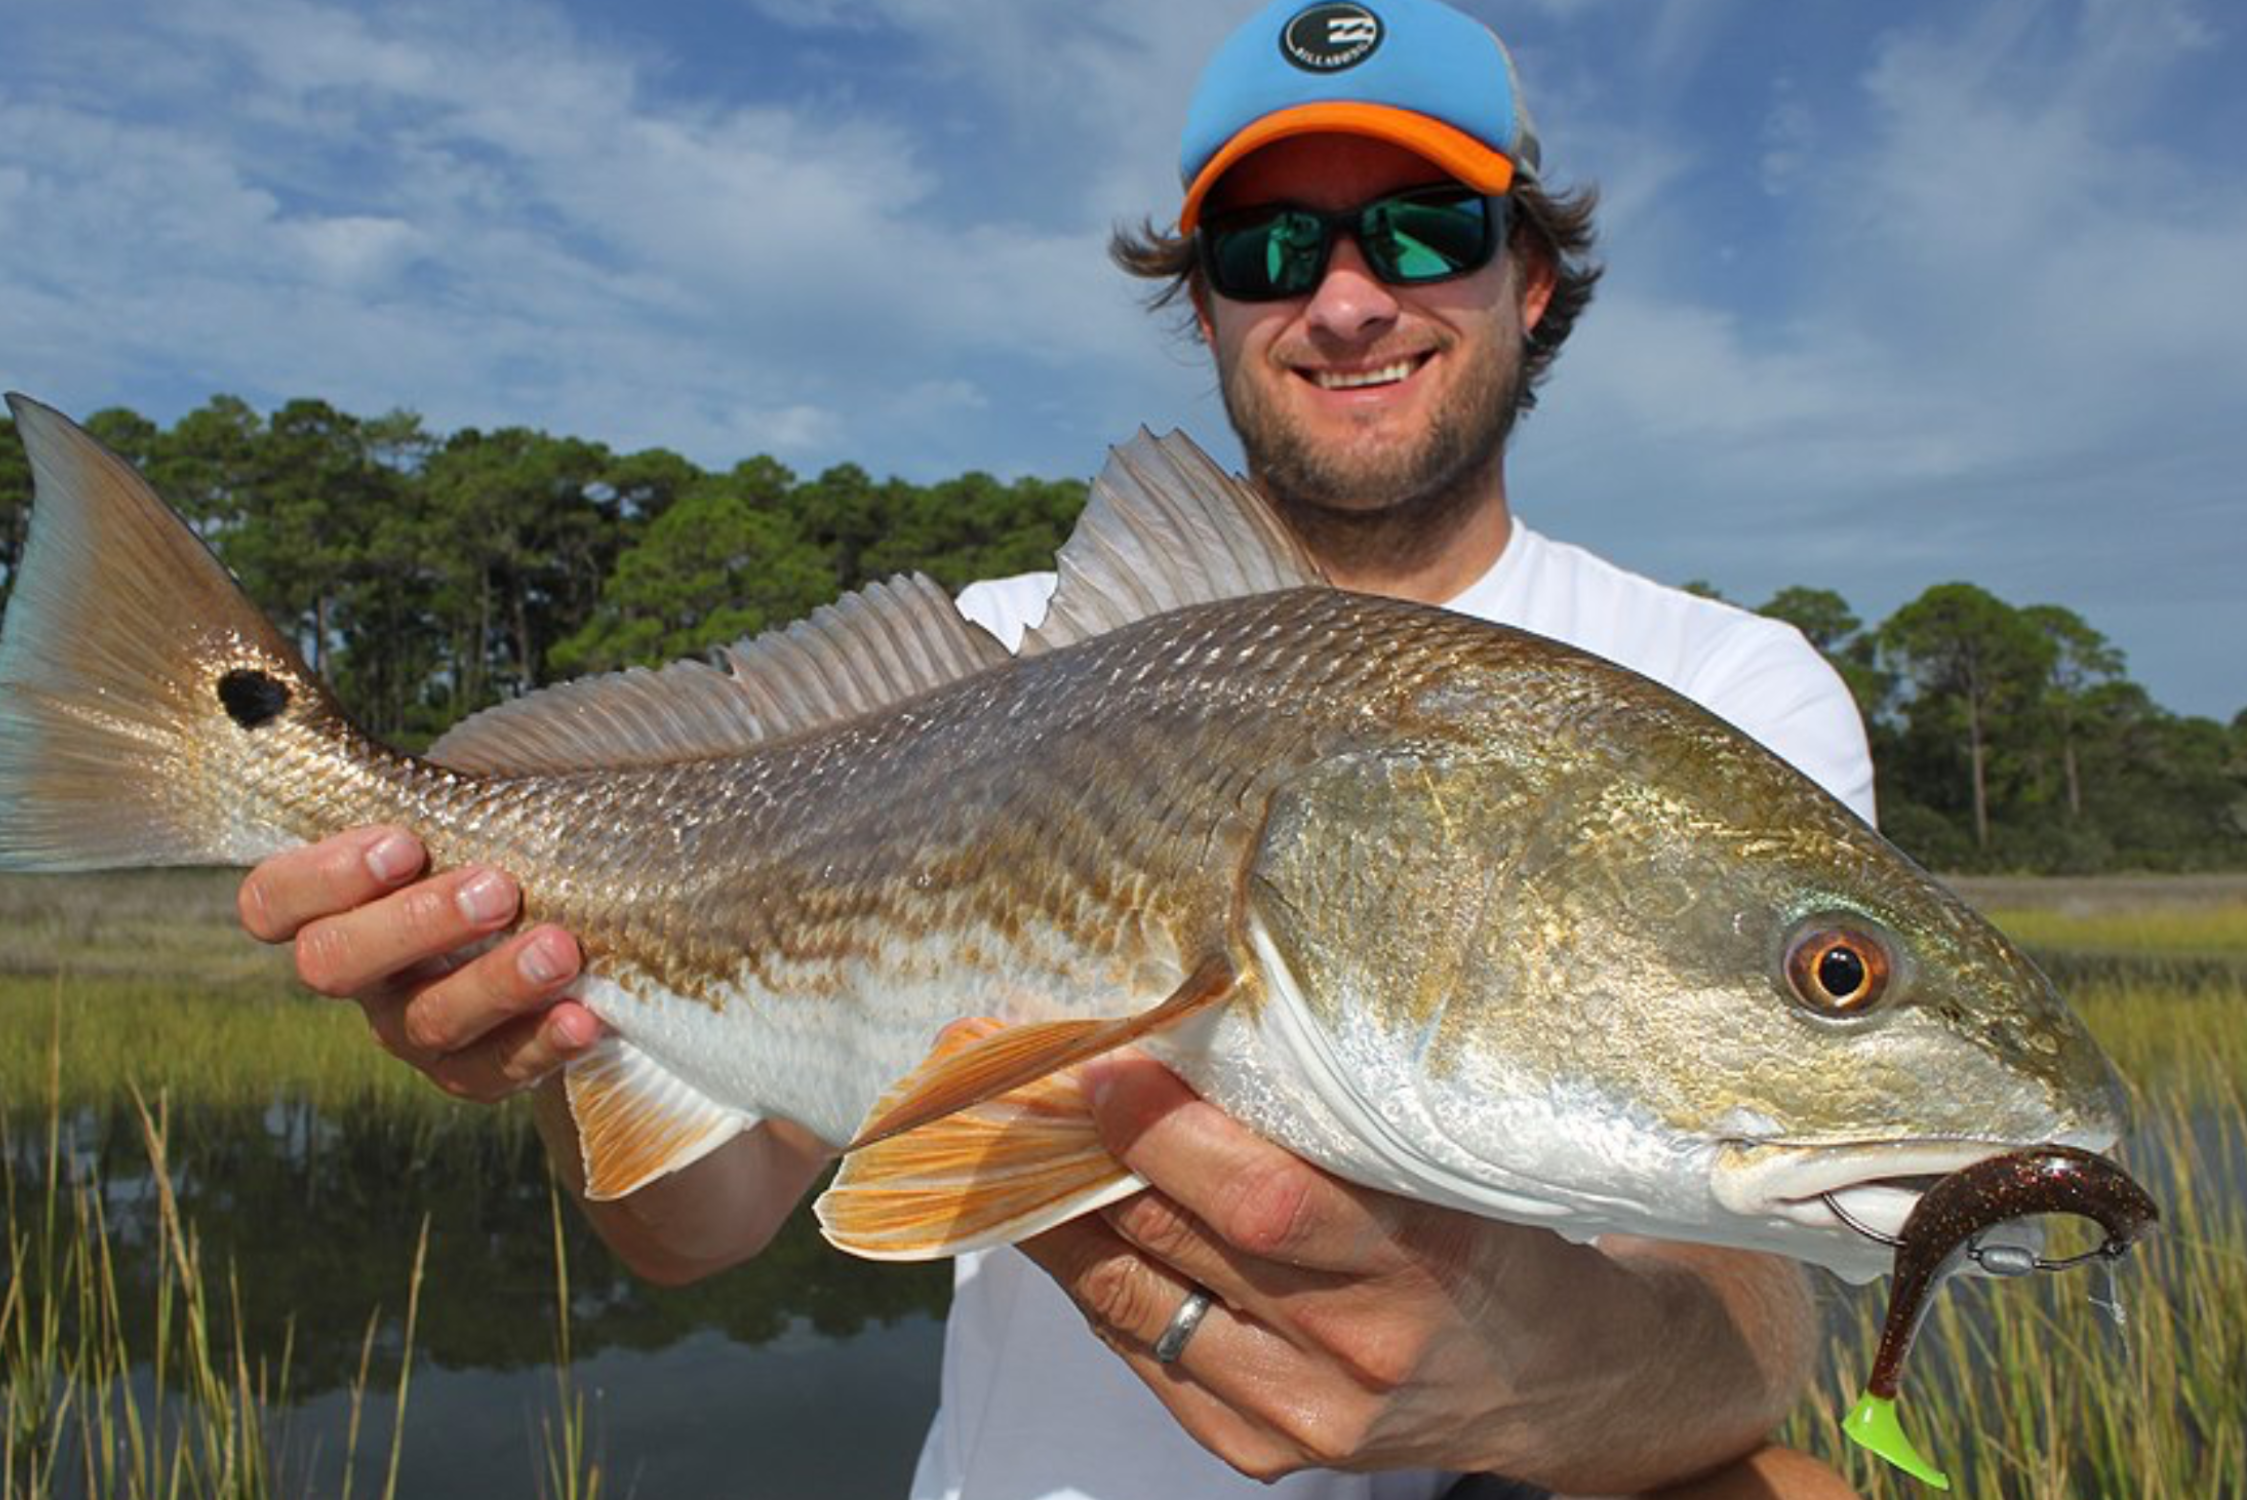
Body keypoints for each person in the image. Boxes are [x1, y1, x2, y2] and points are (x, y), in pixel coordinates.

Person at [238, 2, 1873, 1496]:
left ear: (1527, 274)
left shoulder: (1729, 693)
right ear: (1206, 303)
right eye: (1268, 246)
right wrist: (558, 1032)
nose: (1348, 298)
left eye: (1427, 227)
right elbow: (711, 1219)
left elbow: (1754, 1284)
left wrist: (1565, 1384)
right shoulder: (1011, 655)